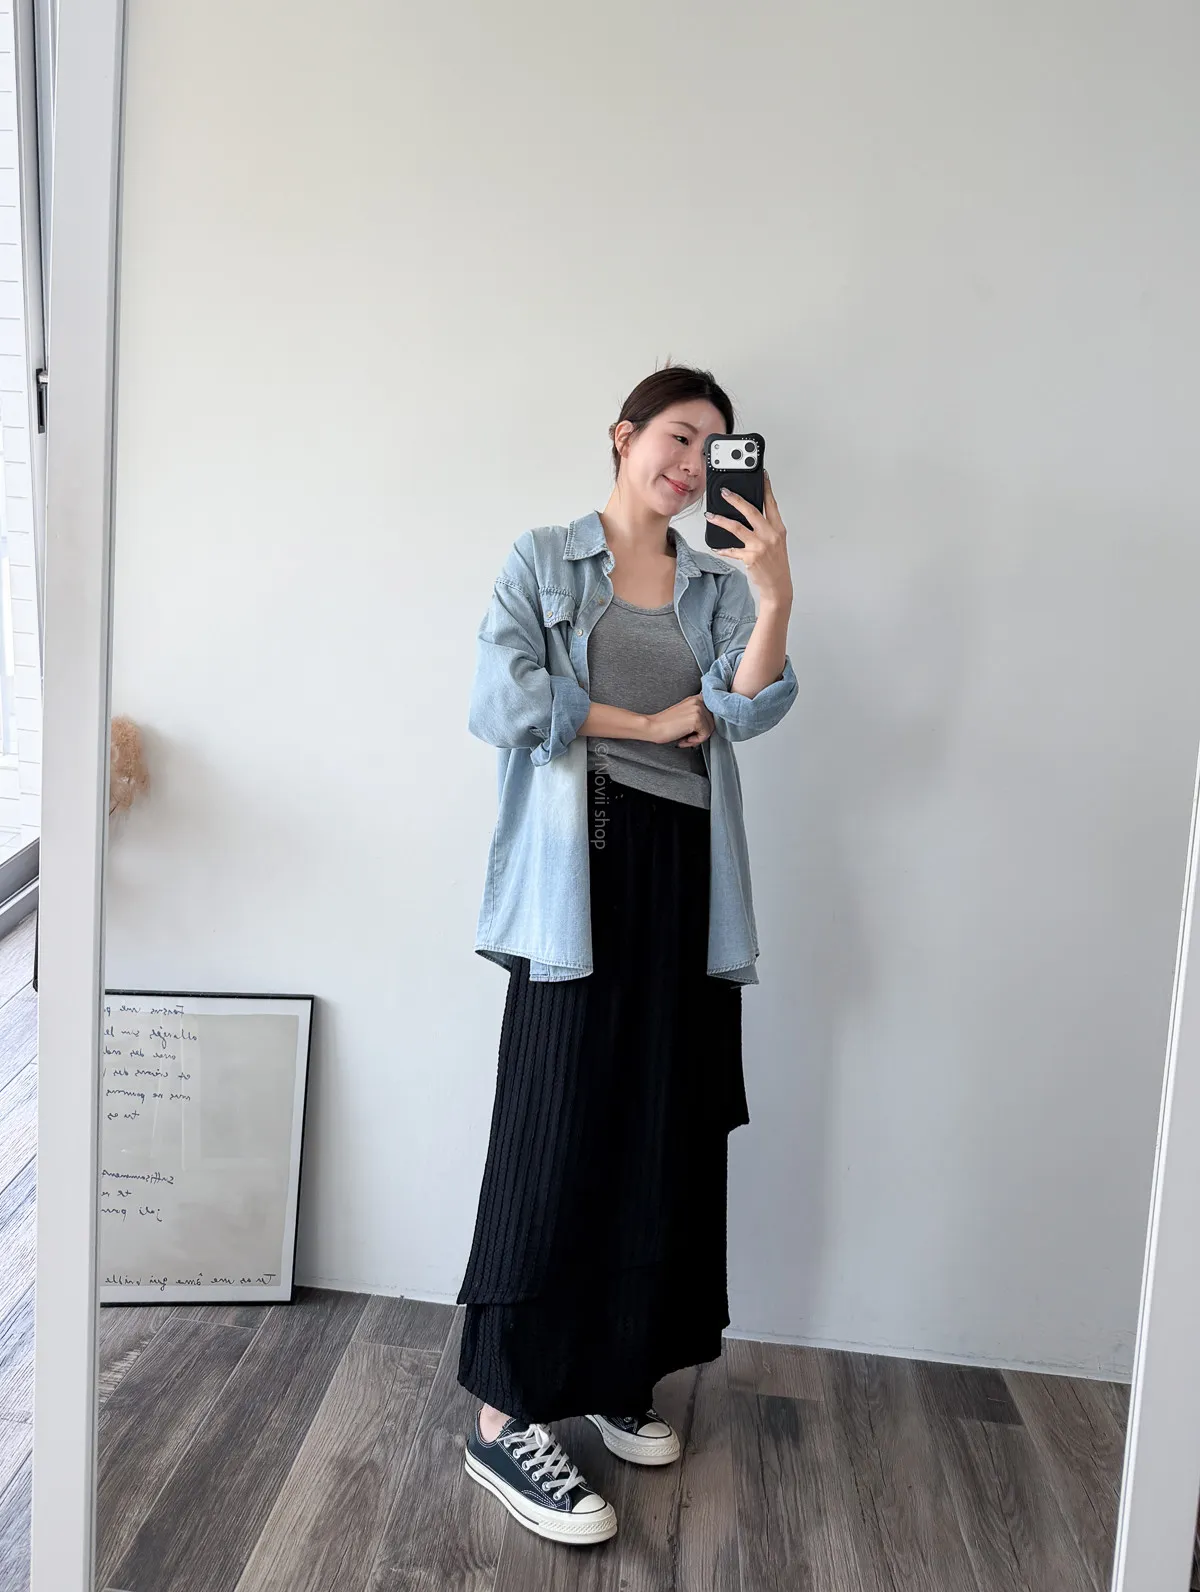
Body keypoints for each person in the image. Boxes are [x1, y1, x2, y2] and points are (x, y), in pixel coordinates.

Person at [457, 363, 797, 1545]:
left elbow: (749, 707)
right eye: (678, 436)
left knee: (661, 1128)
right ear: (623, 434)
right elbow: (500, 699)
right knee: (552, 1127)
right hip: (577, 870)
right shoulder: (544, 560)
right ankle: (502, 1418)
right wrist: (640, 721)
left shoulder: (715, 584)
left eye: (714, 447)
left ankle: (613, 1367)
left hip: (687, 879)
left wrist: (773, 593)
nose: (693, 464)